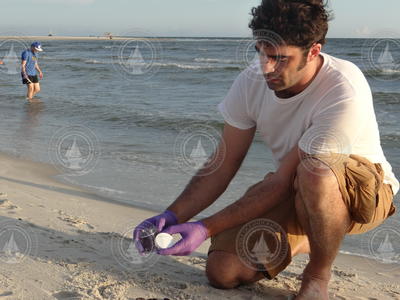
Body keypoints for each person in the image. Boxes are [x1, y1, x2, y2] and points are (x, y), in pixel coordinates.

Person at [134, 0, 398, 299]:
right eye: (261, 53)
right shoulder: (252, 80)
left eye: (280, 58)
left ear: (313, 51)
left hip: (363, 195)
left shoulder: (342, 89)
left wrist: (204, 228)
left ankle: (317, 276)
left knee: (315, 173)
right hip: (296, 188)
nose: (266, 67)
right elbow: (224, 163)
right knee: (222, 271)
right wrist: (173, 215)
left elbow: (284, 180)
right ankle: (314, 235)